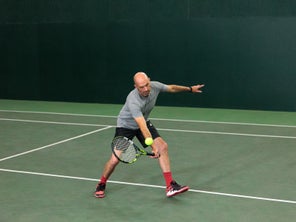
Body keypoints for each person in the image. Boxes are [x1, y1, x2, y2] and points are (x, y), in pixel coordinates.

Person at [94, 72, 204, 198]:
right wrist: (152, 147)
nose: (145, 89)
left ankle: (170, 186)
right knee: (114, 161)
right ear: (135, 86)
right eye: (141, 87)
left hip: (143, 122)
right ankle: (102, 183)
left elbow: (172, 88)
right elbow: (141, 125)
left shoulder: (155, 86)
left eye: (147, 85)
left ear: (149, 81)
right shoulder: (133, 100)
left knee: (163, 147)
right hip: (126, 126)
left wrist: (190, 89)